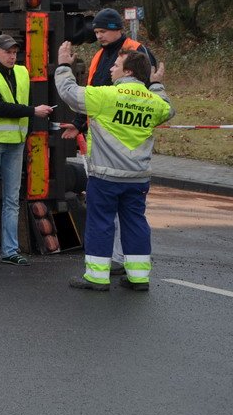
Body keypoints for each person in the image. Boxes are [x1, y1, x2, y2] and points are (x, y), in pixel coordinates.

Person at [54, 43, 173, 291]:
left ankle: (97, 277)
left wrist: (64, 65)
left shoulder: (105, 96)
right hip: (138, 178)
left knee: (100, 223)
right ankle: (139, 277)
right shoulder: (153, 102)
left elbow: (68, 93)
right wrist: (157, 84)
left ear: (128, 72)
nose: (110, 69)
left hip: (106, 177)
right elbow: (168, 109)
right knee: (135, 223)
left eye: (116, 65)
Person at [62, 8, 157, 275]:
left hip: (113, 148)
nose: (99, 36)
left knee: (102, 214)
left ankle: (101, 270)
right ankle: (135, 271)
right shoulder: (102, 56)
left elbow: (85, 96)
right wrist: (80, 123)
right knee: (132, 216)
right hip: (129, 155)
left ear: (117, 28)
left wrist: (63, 67)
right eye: (96, 32)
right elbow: (96, 97)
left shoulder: (135, 52)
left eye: (102, 31)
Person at [0, 34, 54, 266]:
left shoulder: (22, 73)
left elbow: (23, 102)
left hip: (16, 142)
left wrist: (31, 118)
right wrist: (33, 111)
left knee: (12, 199)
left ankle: (10, 250)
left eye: (15, 52)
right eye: (7, 51)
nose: (12, 55)